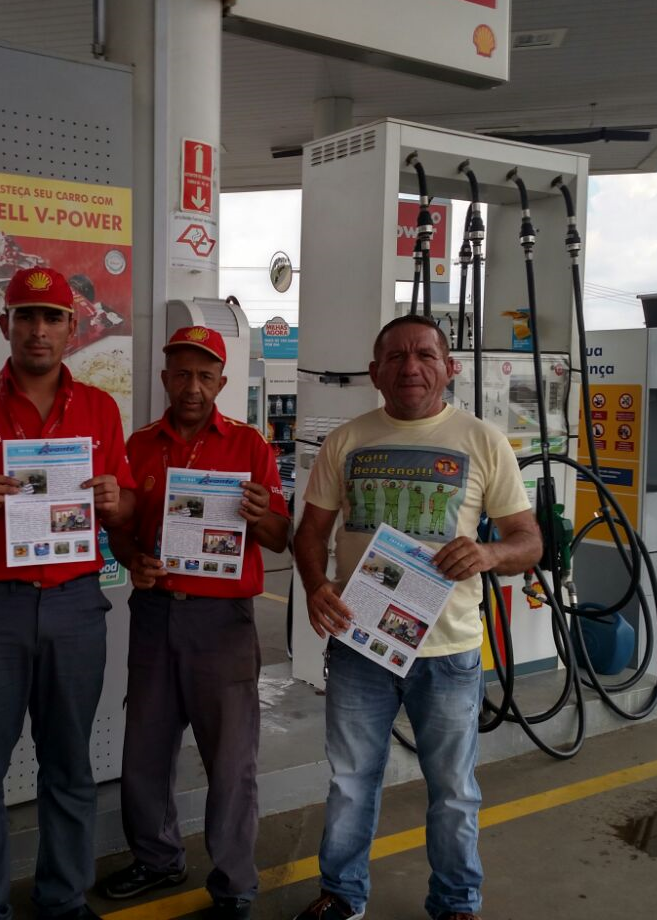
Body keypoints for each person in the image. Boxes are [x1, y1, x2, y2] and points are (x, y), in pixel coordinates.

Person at [291, 315, 542, 920]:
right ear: (374, 372)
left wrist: (488, 554)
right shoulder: (345, 442)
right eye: (396, 357)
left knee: (453, 789)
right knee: (351, 780)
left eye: (426, 355)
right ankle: (342, 895)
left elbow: (529, 541)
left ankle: (456, 902)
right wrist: (316, 586)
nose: (411, 367)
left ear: (449, 368)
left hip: (448, 652)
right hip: (360, 645)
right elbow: (309, 534)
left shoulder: (483, 441)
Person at [0, 265, 136, 920]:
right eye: (26, 316)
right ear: (5, 323)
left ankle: (63, 900)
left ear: (72, 327)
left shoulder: (100, 409)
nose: (39, 330)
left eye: (52, 318)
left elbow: (124, 506)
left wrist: (115, 501)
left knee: (69, 766)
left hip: (74, 605)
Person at [100, 326, 290, 919]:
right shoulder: (138, 445)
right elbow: (120, 529)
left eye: (205, 376)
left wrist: (260, 516)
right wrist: (134, 560)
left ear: (222, 383)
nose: (192, 387)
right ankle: (157, 859)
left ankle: (234, 885)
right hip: (155, 614)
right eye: (182, 374)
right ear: (165, 378)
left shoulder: (250, 446)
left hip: (223, 622)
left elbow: (279, 536)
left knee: (231, 760)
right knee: (145, 750)